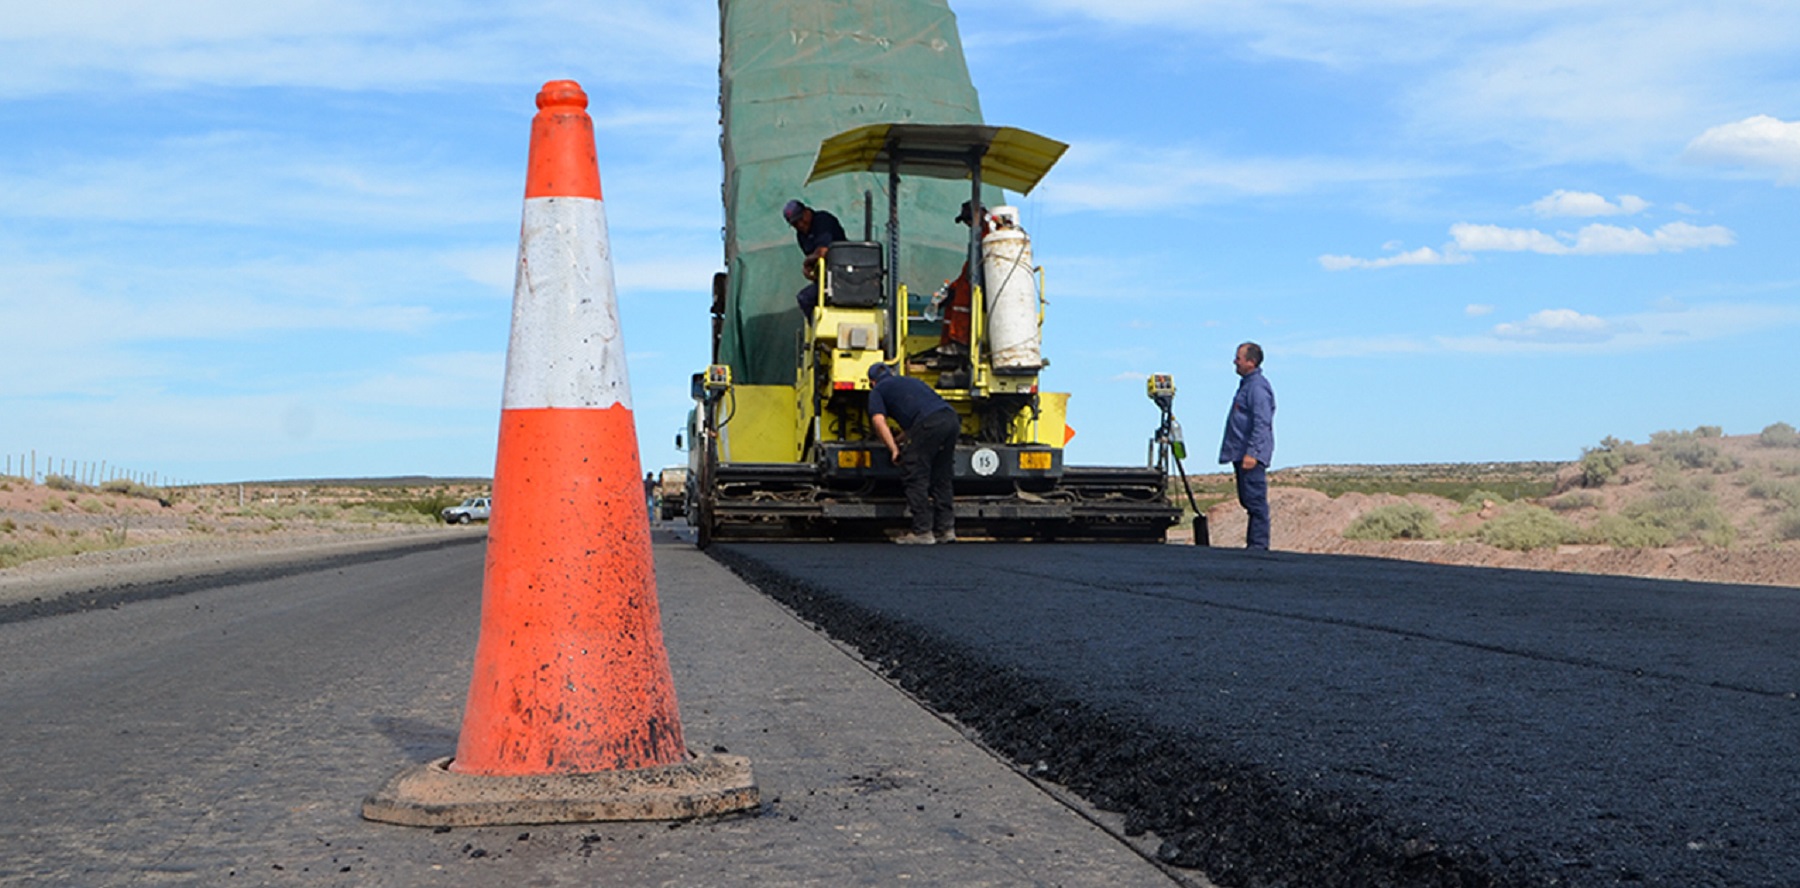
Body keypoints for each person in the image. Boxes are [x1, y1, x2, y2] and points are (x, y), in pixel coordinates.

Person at [867, 363, 959, 544]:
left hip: (929, 424)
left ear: (872, 382)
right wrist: (899, 440)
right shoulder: (910, 382)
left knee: (915, 474)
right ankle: (946, 529)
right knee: (941, 476)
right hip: (950, 419)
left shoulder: (878, 391)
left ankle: (922, 531)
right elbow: (916, 424)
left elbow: (878, 421)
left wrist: (893, 449)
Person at [1218, 341, 1275, 550]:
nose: (1235, 361)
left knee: (1255, 502)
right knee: (1248, 500)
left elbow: (1262, 422)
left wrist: (1253, 452)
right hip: (1241, 453)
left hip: (1250, 455)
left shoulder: (1257, 388)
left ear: (1250, 362)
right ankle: (1255, 545)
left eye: (1239, 358)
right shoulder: (1247, 386)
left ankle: (1258, 547)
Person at [783, 199, 847, 314]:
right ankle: (816, 329)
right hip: (827, 279)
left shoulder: (823, 220)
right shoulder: (801, 236)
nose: (800, 225)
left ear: (807, 211)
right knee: (805, 299)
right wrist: (810, 271)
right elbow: (813, 263)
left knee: (806, 298)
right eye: (795, 224)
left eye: (801, 219)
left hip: (845, 276)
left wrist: (807, 262)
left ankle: (818, 328)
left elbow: (823, 251)